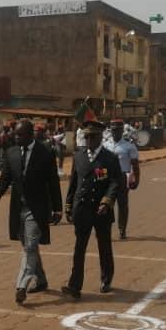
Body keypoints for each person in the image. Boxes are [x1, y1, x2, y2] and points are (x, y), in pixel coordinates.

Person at [0, 119, 63, 306]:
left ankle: (21, 286)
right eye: (15, 134)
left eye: (20, 134)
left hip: (37, 208)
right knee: (29, 247)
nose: (16, 137)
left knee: (30, 246)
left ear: (30, 135)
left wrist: (58, 208)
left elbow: (53, 182)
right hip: (18, 208)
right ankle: (42, 280)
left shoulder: (45, 153)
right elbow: (6, 176)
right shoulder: (12, 152)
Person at [61, 121, 121, 299]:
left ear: (100, 137)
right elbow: (73, 183)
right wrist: (69, 206)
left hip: (101, 210)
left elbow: (116, 181)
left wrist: (107, 201)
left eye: (92, 136)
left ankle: (106, 278)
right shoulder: (78, 156)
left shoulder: (109, 158)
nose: (88, 140)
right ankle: (75, 285)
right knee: (79, 248)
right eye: (86, 136)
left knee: (104, 246)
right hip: (83, 210)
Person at [105, 120, 140, 239]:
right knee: (107, 204)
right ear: (111, 130)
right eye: (113, 130)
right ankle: (106, 229)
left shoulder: (129, 146)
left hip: (122, 178)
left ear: (121, 131)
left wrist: (136, 179)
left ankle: (122, 229)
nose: (115, 132)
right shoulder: (105, 145)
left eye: (118, 130)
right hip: (108, 179)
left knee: (122, 205)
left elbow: (135, 165)